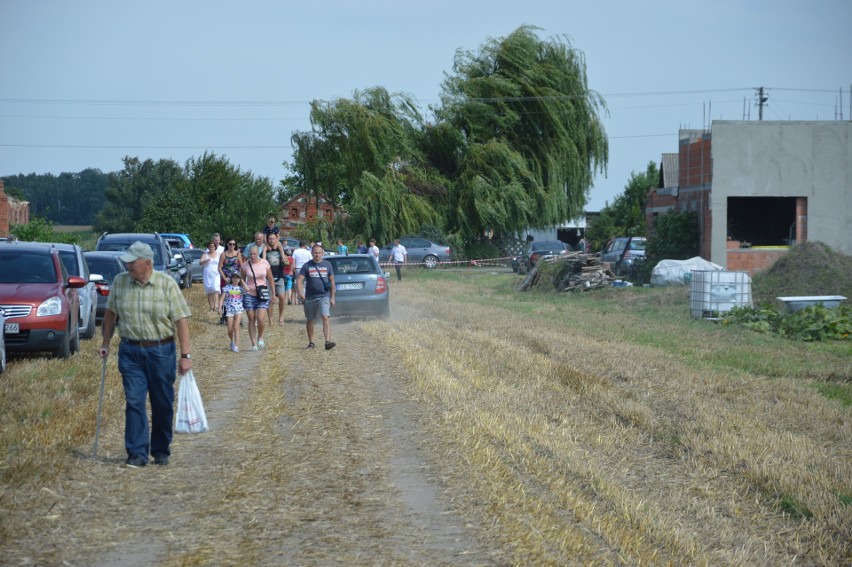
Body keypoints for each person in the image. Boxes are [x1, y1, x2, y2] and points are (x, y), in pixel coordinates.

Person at [97, 241, 192, 468]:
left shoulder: (167, 284)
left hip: (161, 351)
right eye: (127, 261)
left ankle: (160, 450)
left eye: (132, 261)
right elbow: (110, 314)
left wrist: (185, 355)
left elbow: (181, 321)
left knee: (162, 402)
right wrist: (106, 341)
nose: (127, 264)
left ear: (147, 263)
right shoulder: (120, 282)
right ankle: (137, 453)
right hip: (130, 351)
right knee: (134, 401)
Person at [297, 244, 336, 350]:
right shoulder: (306, 266)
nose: (317, 255)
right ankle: (311, 342)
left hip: (324, 296)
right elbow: (299, 280)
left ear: (322, 253)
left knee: (325, 317)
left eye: (319, 253)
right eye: (315, 252)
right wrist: (300, 293)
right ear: (312, 253)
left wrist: (332, 297)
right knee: (310, 319)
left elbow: (332, 281)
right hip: (310, 297)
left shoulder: (327, 265)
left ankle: (327, 341)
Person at [241, 246, 274, 350]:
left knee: (261, 318)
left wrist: (273, 293)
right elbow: (241, 279)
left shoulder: (265, 263)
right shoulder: (245, 265)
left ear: (258, 253)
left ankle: (260, 337)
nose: (252, 256)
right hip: (249, 294)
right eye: (250, 254)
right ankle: (254, 343)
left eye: (254, 254)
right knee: (251, 319)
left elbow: (270, 278)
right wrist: (243, 286)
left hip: (262, 293)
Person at [265, 231, 290, 325]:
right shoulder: (265, 250)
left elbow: (287, 261)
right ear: (267, 239)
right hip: (268, 277)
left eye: (273, 238)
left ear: (276, 239)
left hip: (279, 276)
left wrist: (285, 260)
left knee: (282, 297)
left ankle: (281, 317)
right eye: (270, 239)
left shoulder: (281, 249)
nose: (271, 240)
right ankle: (270, 319)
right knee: (270, 299)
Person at [222, 272, 247, 352]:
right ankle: (232, 341)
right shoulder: (227, 287)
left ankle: (236, 346)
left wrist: (242, 280)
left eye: (237, 278)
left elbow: (248, 289)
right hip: (229, 309)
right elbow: (222, 298)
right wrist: (219, 308)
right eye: (234, 277)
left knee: (236, 327)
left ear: (239, 279)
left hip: (238, 309)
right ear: (231, 279)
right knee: (229, 329)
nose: (235, 279)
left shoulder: (241, 288)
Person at [200, 240, 221, 312]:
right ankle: (211, 307)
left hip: (216, 274)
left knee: (216, 288)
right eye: (210, 246)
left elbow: (221, 263)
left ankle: (216, 305)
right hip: (207, 274)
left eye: (213, 246)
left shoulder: (218, 254)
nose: (211, 247)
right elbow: (200, 263)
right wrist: (205, 261)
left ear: (215, 247)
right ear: (208, 247)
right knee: (209, 290)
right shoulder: (205, 254)